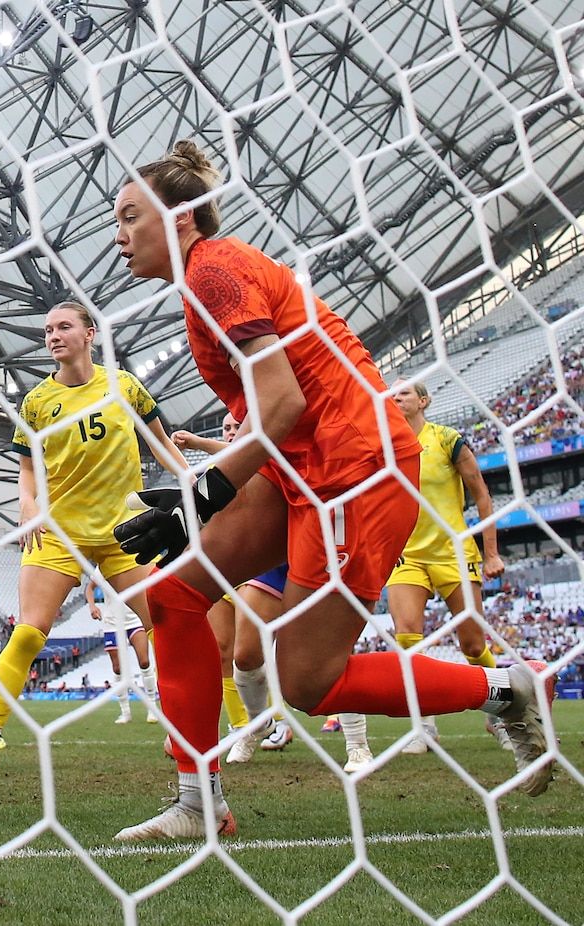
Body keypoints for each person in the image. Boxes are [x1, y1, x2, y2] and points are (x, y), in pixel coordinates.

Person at [108, 141, 555, 839]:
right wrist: (211, 482)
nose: (120, 235)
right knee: (173, 595)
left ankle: (504, 687)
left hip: (354, 469)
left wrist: (204, 495)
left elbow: (283, 402)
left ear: (184, 218)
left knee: (309, 684)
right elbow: (276, 411)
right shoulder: (208, 281)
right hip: (300, 466)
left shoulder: (216, 272)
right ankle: (199, 804)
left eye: (132, 216)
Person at [0, 302, 188, 775]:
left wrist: (192, 489)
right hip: (59, 532)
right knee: (28, 633)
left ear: (90, 333)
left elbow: (162, 444)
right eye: (48, 329)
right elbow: (26, 471)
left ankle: (182, 731)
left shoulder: (124, 386)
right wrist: (27, 504)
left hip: (126, 531)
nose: (54, 335)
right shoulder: (37, 402)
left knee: (168, 628)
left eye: (64, 327)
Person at [344, 381, 510, 766]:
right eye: (391, 394)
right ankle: (423, 727)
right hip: (407, 555)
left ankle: (499, 714)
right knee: (406, 637)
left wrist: (491, 554)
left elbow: (482, 494)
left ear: (423, 400)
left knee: (472, 644)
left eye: (403, 393)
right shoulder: (384, 446)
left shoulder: (448, 439)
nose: (395, 398)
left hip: (453, 552)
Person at [172, 413, 292, 762]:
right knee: (224, 651)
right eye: (225, 428)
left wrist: (196, 443)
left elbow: (240, 452)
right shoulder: (211, 473)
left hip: (263, 560)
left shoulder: (259, 454)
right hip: (223, 564)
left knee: (262, 652)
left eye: (235, 427)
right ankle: (243, 728)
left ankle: (347, 739)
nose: (229, 433)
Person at [82, 577, 157, 724]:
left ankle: (152, 709)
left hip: (135, 620)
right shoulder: (101, 567)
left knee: (144, 661)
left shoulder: (132, 560)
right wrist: (92, 606)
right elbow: (89, 588)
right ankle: (125, 712)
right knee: (117, 668)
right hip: (112, 623)